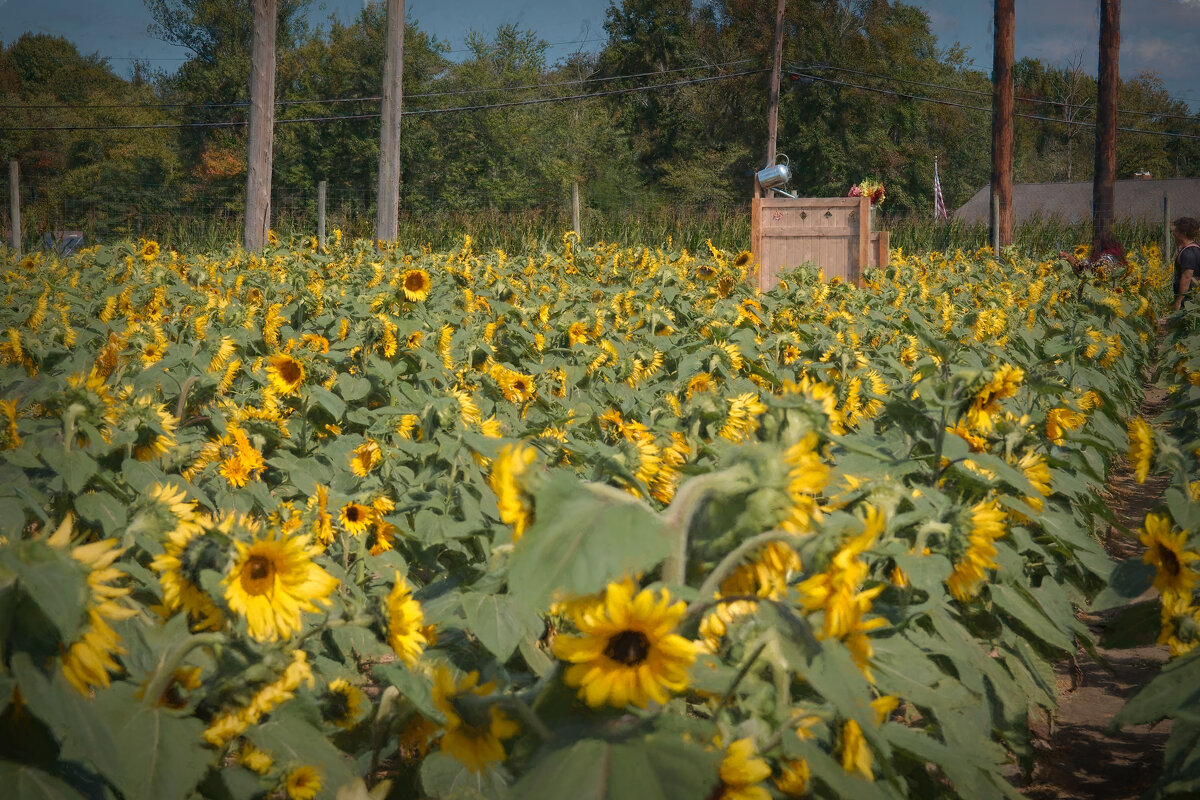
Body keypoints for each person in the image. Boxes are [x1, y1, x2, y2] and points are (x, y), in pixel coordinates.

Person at [1058, 233, 1128, 276]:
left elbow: (1091, 269)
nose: (1093, 245)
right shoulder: (1108, 254)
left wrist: (1070, 258)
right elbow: (1087, 263)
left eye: (1095, 242)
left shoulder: (1107, 257)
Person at [1171, 216, 1199, 311]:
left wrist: (1178, 301)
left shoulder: (1188, 253)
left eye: (1176, 231)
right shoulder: (1195, 248)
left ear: (1183, 234)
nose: (1173, 234)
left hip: (1189, 301)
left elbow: (1186, 278)